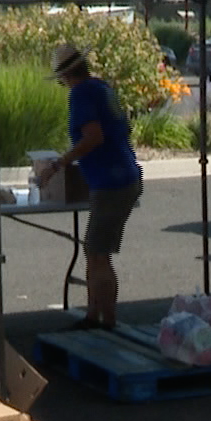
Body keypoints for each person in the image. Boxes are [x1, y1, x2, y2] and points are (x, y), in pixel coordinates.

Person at [41, 43, 143, 329]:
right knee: (93, 250)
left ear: (66, 76)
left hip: (111, 181)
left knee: (99, 254)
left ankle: (107, 320)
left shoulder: (82, 94)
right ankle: (93, 314)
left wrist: (60, 163)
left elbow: (93, 136)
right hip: (121, 174)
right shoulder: (101, 87)